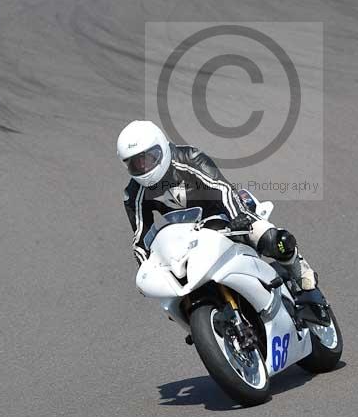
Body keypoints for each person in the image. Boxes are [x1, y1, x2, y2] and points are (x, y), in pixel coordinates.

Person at [116, 119, 318, 293]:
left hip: (226, 218)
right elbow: (141, 238)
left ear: (161, 146)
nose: (143, 167)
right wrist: (145, 269)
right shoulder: (134, 194)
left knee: (273, 240)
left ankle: (299, 269)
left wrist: (238, 216)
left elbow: (222, 189)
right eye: (135, 163)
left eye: (148, 158)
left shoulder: (189, 159)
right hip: (186, 240)